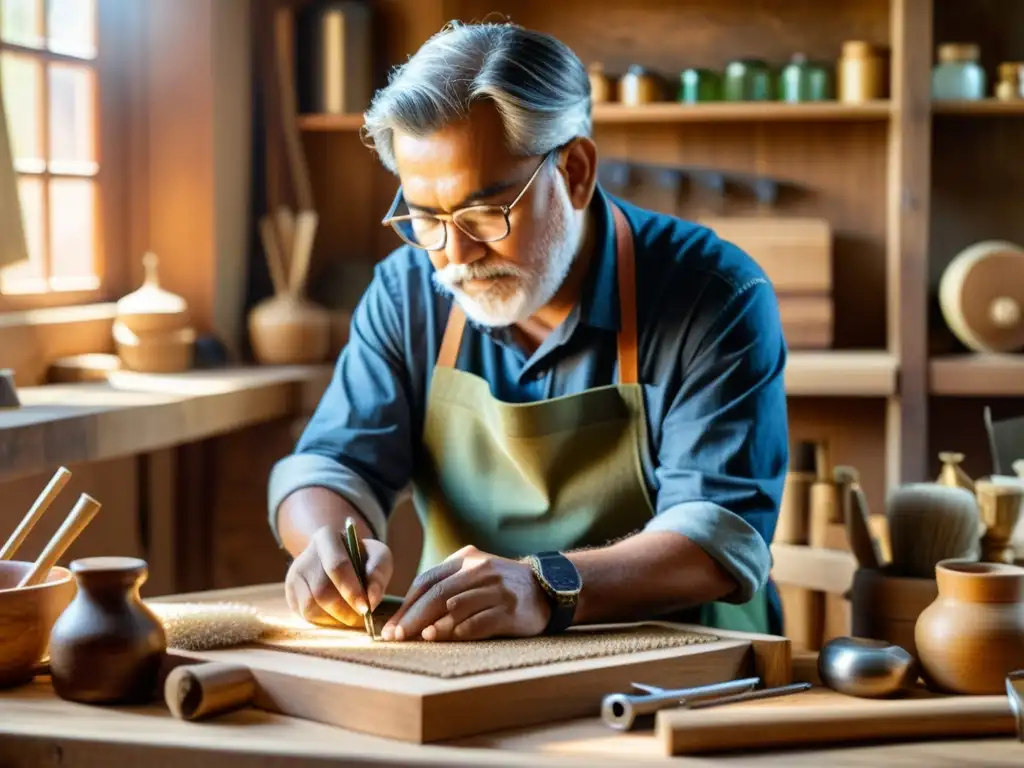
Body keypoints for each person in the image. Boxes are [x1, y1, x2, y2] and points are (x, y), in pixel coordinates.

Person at [267, 20, 789, 643]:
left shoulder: (715, 296)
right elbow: (331, 463)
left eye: (485, 213)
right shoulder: (407, 290)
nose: (454, 253)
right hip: (466, 660)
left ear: (574, 171)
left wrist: (547, 584)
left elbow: (719, 534)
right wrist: (328, 544)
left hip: (687, 665)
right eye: (426, 217)